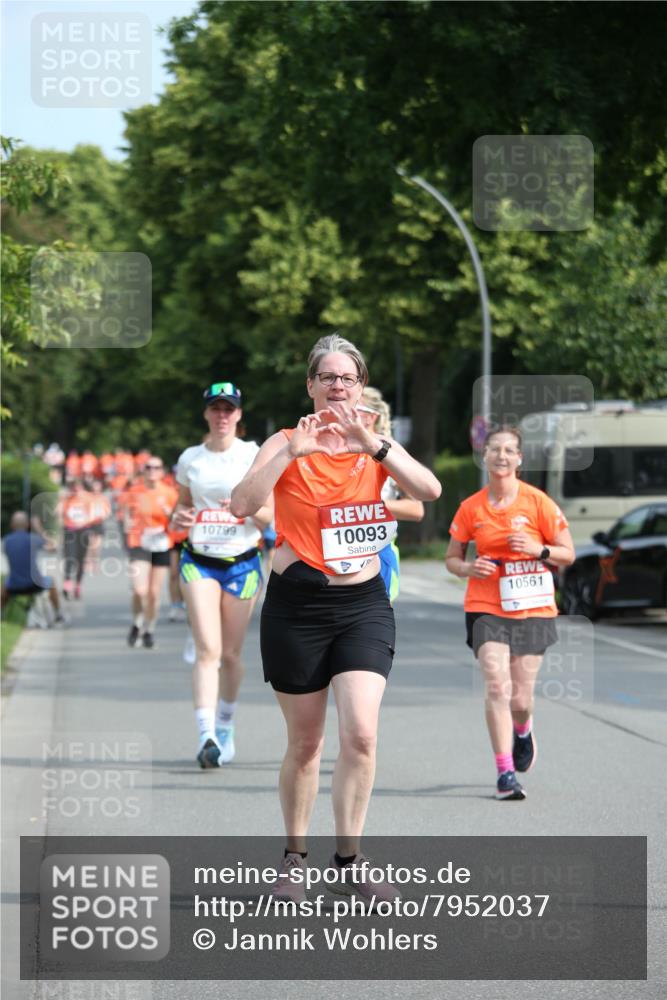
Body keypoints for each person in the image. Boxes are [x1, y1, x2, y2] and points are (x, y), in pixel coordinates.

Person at [230, 333, 441, 901]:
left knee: (363, 735)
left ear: (361, 385)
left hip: (362, 603)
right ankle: (294, 857)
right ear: (311, 385)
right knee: (305, 744)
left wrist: (372, 444)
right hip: (297, 606)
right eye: (328, 377)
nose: (338, 386)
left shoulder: (376, 444)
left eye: (348, 377)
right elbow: (243, 505)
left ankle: (349, 859)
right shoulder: (284, 441)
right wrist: (292, 453)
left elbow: (429, 490)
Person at [445, 426, 575, 800]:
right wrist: (469, 569)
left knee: (520, 698)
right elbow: (452, 559)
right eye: (494, 450)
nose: (501, 456)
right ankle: (504, 774)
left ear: (520, 459)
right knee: (497, 685)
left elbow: (568, 553)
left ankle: (523, 729)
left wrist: (539, 549)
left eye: (509, 450)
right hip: (486, 606)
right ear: (484, 457)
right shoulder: (471, 507)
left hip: (533, 607)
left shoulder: (538, 503)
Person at [170, 382, 272, 769]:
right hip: (199, 559)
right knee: (207, 650)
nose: (222, 415)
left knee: (230, 654)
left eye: (229, 409)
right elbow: (180, 510)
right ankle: (206, 735)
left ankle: (225, 727)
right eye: (215, 408)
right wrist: (177, 518)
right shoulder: (191, 459)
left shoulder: (253, 455)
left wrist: (244, 509)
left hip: (243, 562)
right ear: (206, 414)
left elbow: (272, 516)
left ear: (239, 415)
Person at [357, 387, 424, 602]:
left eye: (356, 409)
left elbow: (416, 509)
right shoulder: (334, 450)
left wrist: (370, 504)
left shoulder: (387, 454)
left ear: (372, 416)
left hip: (378, 553)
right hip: (334, 553)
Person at [124, 457, 177, 649]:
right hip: (139, 542)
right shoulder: (134, 491)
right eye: (148, 467)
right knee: (140, 590)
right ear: (143, 470)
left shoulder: (169, 493)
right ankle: (137, 622)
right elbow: (125, 514)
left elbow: (176, 520)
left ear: (162, 471)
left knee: (154, 594)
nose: (152, 471)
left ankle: (149, 629)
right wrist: (127, 525)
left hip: (162, 543)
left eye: (157, 467)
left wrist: (169, 513)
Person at [1, 511, 65, 623]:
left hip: (14, 586)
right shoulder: (34, 539)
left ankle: (2, 614)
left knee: (4, 585)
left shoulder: (6, 541)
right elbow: (53, 547)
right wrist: (38, 528)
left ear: (12, 525)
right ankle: (58, 614)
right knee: (51, 582)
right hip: (34, 584)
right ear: (27, 525)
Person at [59, 480, 96, 599]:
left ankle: (78, 585)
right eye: (73, 488)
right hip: (70, 531)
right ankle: (67, 584)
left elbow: (95, 514)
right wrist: (62, 499)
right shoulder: (67, 499)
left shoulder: (88, 498)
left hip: (84, 531)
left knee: (81, 560)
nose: (76, 490)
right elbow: (58, 513)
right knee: (69, 558)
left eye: (78, 488)